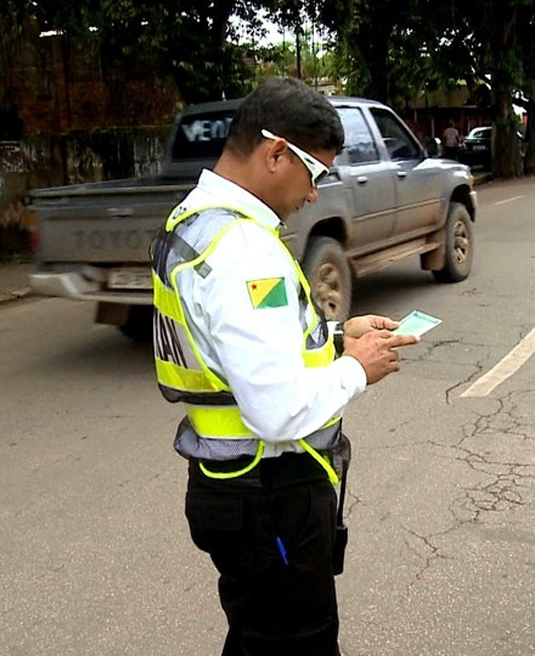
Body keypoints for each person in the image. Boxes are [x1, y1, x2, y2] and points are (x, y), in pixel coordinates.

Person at [150, 77, 418, 656]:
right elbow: (276, 410)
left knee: (257, 639)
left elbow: (244, 347)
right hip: (269, 494)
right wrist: (356, 368)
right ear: (275, 153)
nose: (315, 194)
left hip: (236, 490)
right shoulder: (245, 251)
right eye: (314, 174)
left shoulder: (196, 223)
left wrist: (342, 334)